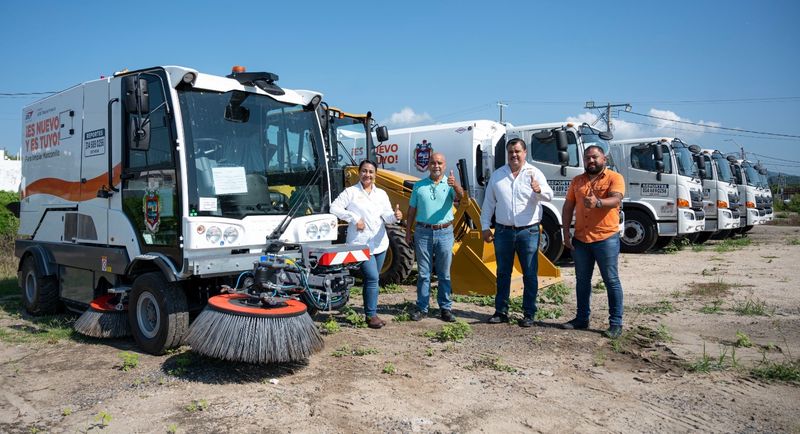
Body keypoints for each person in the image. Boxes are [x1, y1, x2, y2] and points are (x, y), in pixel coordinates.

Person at [480, 138, 553, 327]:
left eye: (517, 151)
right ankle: (501, 311)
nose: (514, 155)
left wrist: (538, 191)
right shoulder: (498, 175)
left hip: (528, 231)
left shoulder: (534, 173)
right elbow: (488, 203)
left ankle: (529, 313)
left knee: (529, 273)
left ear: (525, 153)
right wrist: (485, 227)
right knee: (503, 272)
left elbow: (549, 196)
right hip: (503, 231)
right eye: (511, 152)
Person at [560, 145, 625, 338]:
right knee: (582, 282)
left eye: (595, 157)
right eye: (587, 158)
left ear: (604, 159)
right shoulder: (577, 181)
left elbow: (616, 200)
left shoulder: (615, 178)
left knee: (611, 281)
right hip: (581, 239)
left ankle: (615, 323)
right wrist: (565, 233)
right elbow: (568, 206)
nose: (591, 161)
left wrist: (598, 202)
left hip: (606, 238)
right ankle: (581, 319)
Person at [330, 159, 403, 329]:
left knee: (373, 280)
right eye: (364, 171)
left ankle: (370, 312)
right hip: (360, 245)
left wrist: (396, 216)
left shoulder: (381, 194)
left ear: (375, 174)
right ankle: (371, 316)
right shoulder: (351, 192)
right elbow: (334, 208)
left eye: (370, 172)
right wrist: (354, 218)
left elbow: (386, 216)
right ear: (359, 172)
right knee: (372, 277)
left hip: (380, 243)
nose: (367, 175)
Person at [405, 153, 464, 322]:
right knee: (424, 273)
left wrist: (457, 186)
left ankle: (445, 308)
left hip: (445, 232)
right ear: (428, 165)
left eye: (439, 163)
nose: (436, 166)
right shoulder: (419, 186)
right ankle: (422, 308)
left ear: (444, 166)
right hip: (423, 232)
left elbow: (462, 199)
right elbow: (411, 211)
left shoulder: (450, 184)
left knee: (444, 274)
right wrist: (408, 232)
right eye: (432, 163)